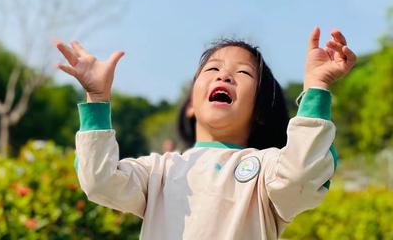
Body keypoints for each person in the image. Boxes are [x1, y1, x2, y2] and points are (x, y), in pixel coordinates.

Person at [56, 27, 356, 239]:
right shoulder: (158, 171)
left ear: (261, 111)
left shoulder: (267, 171)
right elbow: (99, 181)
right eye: (212, 69)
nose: (225, 74)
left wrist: (316, 87)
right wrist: (96, 99)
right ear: (190, 105)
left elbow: (302, 177)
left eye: (244, 73)